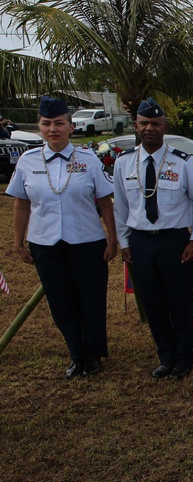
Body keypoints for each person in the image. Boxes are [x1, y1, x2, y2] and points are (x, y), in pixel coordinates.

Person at [6, 95, 118, 378]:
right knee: (60, 302)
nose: (52, 129)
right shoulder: (28, 160)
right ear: (39, 128)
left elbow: (105, 201)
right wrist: (18, 242)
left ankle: (93, 355)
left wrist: (112, 239)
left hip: (86, 242)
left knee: (91, 300)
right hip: (45, 243)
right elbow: (21, 203)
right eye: (46, 124)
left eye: (59, 123)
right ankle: (76, 354)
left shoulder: (89, 160)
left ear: (71, 127)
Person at [112, 98, 193, 380]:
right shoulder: (123, 162)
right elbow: (121, 206)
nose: (150, 128)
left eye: (155, 123)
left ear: (165, 126)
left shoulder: (183, 163)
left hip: (175, 241)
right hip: (140, 243)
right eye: (144, 123)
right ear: (136, 127)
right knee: (152, 303)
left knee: (180, 302)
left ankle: (184, 357)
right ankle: (166, 357)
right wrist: (125, 242)